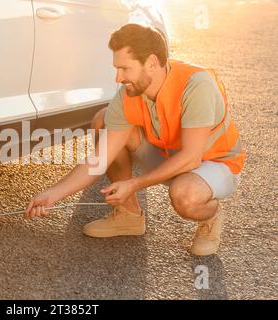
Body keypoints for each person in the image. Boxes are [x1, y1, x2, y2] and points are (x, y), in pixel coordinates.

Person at [24, 24, 245, 256]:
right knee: (105, 120)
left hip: (215, 163)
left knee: (185, 196)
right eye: (117, 68)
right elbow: (98, 161)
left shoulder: (196, 85)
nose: (118, 78)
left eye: (125, 69)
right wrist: (52, 195)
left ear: (151, 62)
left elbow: (191, 158)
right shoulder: (129, 93)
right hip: (170, 156)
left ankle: (210, 215)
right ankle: (128, 215)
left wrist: (134, 184)